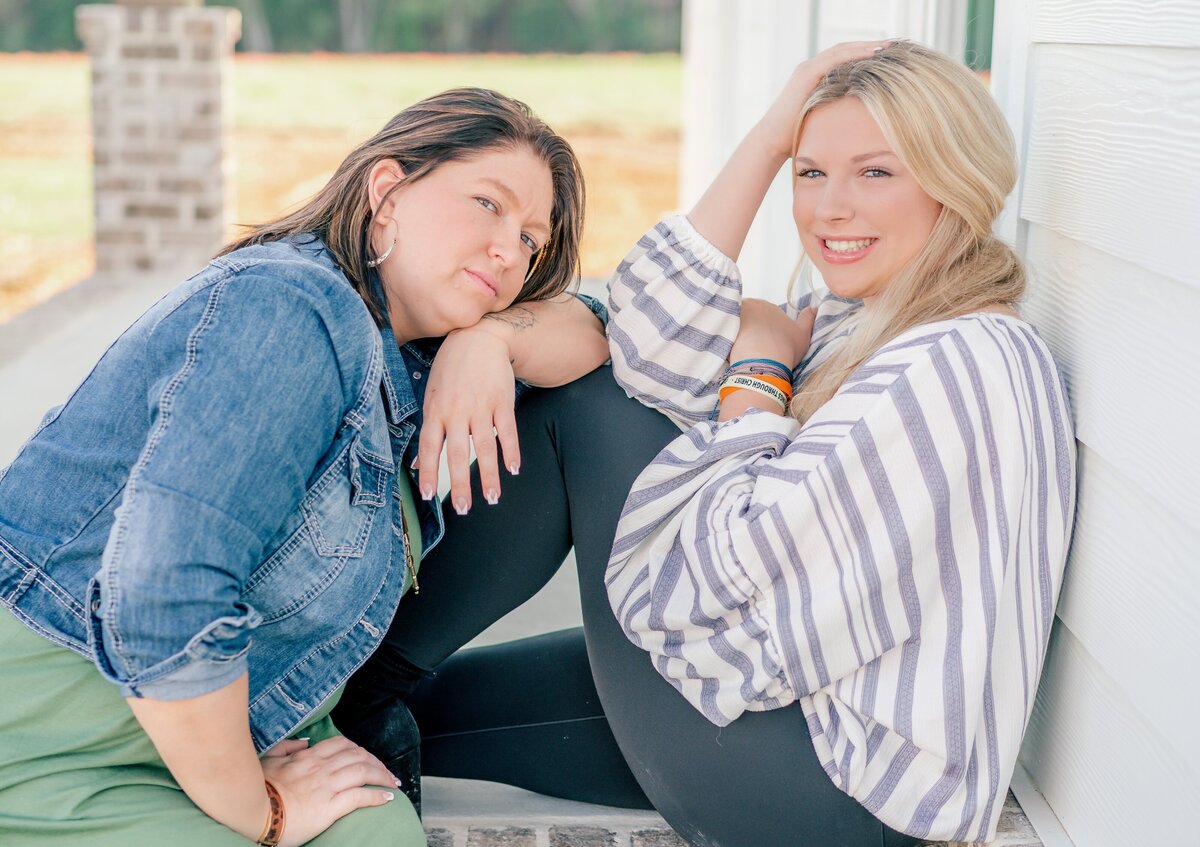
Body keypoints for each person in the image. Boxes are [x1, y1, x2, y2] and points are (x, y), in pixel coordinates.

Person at [334, 40, 1076, 847]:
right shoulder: (863, 320)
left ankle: (342, 663)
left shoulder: (954, 364)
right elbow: (647, 338)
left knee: (591, 406)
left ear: (954, 180)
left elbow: (724, 586)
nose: (829, 209)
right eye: (809, 171)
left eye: (876, 172)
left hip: (831, 794)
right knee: (390, 712)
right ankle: (336, 708)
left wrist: (757, 374)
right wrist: (493, 340)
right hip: (786, 722)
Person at [0, 87, 609, 846]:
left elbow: (602, 333)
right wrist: (264, 812)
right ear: (386, 194)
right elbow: (162, 595)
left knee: (379, 833)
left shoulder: (416, 361)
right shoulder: (294, 309)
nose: (508, 250)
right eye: (487, 204)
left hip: (245, 714)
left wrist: (493, 342)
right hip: (66, 717)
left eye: (530, 239)